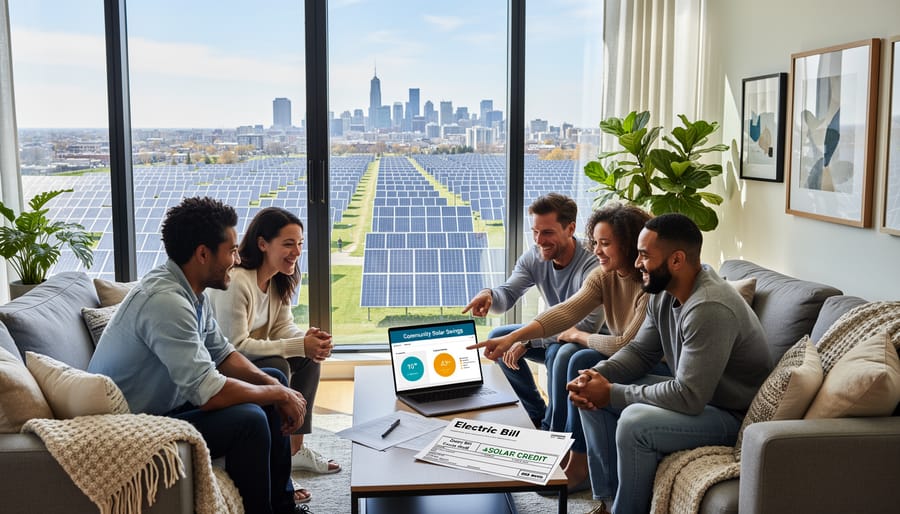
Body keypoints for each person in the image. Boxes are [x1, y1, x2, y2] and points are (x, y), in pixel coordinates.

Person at [88, 197, 307, 514]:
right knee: (250, 419)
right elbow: (208, 392)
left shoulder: (191, 291)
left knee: (274, 378)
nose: (236, 258)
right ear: (203, 254)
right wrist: (274, 394)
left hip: (170, 404)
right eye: (231, 250)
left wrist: (278, 389)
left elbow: (223, 354)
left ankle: (282, 506)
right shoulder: (166, 302)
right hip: (136, 427)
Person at [567, 213, 772, 514]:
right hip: (702, 399)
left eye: (645, 256)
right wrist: (596, 376)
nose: (637, 264)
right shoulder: (664, 292)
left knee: (635, 424)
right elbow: (640, 352)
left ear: (676, 260)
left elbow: (689, 397)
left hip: (730, 413)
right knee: (591, 391)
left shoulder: (708, 307)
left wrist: (611, 393)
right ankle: (609, 503)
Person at [470, 203, 664, 491]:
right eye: (596, 242)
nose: (596, 250)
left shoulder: (648, 283)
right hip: (606, 348)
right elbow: (563, 312)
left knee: (575, 359)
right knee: (570, 356)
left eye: (605, 244)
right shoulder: (603, 273)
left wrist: (571, 337)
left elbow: (622, 342)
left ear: (628, 245)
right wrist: (514, 337)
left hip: (651, 364)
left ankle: (573, 458)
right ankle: (552, 438)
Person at [209, 207, 339, 505]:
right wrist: (297, 345)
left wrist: (308, 341)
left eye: (300, 244)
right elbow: (236, 346)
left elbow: (282, 327)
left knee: (307, 360)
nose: (297, 252)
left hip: (253, 358)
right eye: (289, 244)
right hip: (225, 365)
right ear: (263, 243)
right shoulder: (238, 282)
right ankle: (282, 461)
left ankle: (292, 450)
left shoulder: (279, 278)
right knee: (279, 365)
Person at [462, 192, 601, 429]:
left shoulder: (592, 265)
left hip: (588, 339)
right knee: (497, 338)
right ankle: (536, 415)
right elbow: (507, 295)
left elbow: (585, 325)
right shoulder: (534, 257)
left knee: (560, 352)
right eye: (535, 231)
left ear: (570, 229)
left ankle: (553, 429)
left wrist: (527, 342)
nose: (538, 240)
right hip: (552, 335)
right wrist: (490, 294)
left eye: (547, 232)